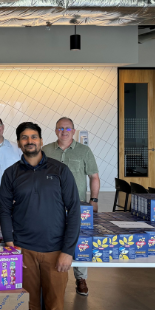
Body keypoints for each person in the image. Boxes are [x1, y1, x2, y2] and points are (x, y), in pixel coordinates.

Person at [0, 122, 78, 310]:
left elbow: (74, 211)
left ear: (41, 141)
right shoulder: (11, 173)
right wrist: (11, 246)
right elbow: (4, 211)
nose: (30, 141)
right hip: (24, 252)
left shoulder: (60, 170)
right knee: (30, 307)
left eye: (34, 137)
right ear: (19, 143)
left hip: (55, 252)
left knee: (55, 309)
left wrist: (67, 251)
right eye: (24, 138)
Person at [40, 117, 101, 297]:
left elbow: (94, 177)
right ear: (55, 130)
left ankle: (80, 278)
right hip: (49, 206)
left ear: (73, 131)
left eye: (68, 128)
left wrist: (94, 200)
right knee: (52, 240)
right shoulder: (46, 150)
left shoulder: (84, 151)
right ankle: (50, 277)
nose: (64, 131)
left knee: (79, 240)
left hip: (77, 206)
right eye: (60, 128)